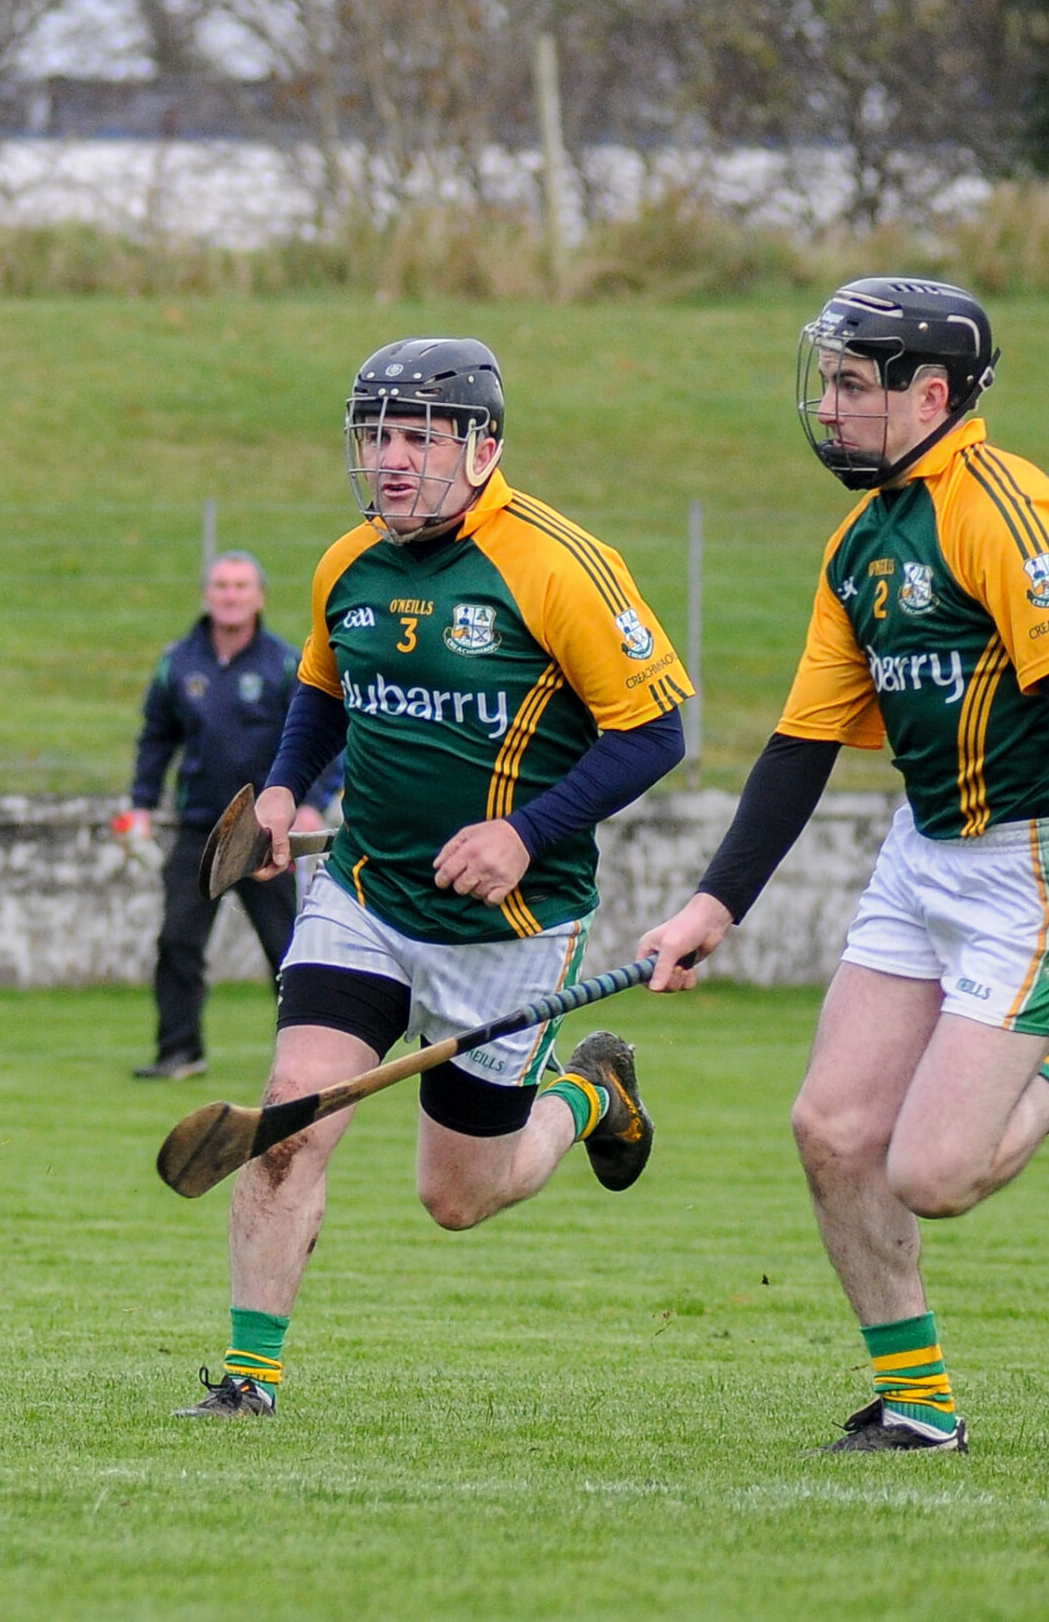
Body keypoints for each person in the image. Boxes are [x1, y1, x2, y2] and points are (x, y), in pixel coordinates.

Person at [638, 277, 1049, 1453]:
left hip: (1033, 862)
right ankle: (920, 1405)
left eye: (850, 385)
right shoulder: (861, 540)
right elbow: (799, 745)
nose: (827, 408)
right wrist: (710, 906)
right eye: (825, 381)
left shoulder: (1005, 512)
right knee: (831, 1131)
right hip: (920, 853)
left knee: (932, 1172)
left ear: (928, 394)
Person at [175, 337, 693, 1418]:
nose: (392, 458)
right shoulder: (346, 561)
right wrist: (280, 791)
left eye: (418, 436)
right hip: (364, 894)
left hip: (507, 922)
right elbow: (322, 692)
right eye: (377, 434)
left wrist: (525, 831)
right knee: (285, 1118)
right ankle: (246, 1383)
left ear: (482, 445)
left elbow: (652, 732)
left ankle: (591, 1094)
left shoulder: (556, 564)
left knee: (460, 1197)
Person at [123, 551, 342, 1080]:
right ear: (207, 594)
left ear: (260, 596)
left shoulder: (288, 664)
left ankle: (308, 1061)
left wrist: (310, 801)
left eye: (241, 586)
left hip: (268, 835)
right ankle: (180, 1052)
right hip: (200, 828)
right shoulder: (178, 662)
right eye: (221, 585)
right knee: (177, 939)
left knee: (288, 950)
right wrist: (140, 805)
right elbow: (156, 738)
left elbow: (326, 739)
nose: (230, 595)